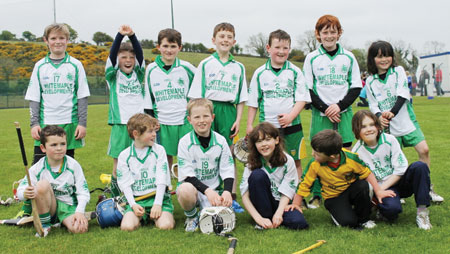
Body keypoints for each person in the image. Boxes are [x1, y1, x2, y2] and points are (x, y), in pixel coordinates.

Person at [21, 23, 90, 219]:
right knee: (37, 165)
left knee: (67, 165)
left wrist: (82, 123)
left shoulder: (75, 65)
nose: (58, 42)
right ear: (46, 41)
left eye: (62, 38)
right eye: (53, 38)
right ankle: (28, 209)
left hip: (68, 123)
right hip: (45, 124)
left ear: (68, 41)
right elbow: (34, 97)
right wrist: (34, 124)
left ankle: (70, 203)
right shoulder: (40, 66)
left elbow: (82, 96)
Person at [365, 40, 444, 203]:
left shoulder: (398, 71)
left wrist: (392, 113)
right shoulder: (371, 80)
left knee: (424, 150)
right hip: (388, 127)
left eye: (387, 55)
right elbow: (372, 103)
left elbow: (403, 93)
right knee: (393, 160)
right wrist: (380, 116)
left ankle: (427, 188)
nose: (384, 59)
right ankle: (396, 190)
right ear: (372, 59)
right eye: (379, 56)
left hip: (406, 122)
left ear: (392, 57)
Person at [302, 15, 362, 208]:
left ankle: (345, 190)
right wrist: (326, 109)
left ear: (339, 33)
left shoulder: (349, 56)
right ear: (318, 34)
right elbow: (308, 89)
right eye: (325, 32)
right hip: (321, 115)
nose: (329, 35)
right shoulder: (312, 58)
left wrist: (339, 106)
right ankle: (317, 194)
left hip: (343, 113)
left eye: (333, 31)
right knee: (320, 154)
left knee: (344, 152)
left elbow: (355, 87)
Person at [188, 22, 247, 210]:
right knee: (206, 152)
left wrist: (238, 120)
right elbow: (196, 95)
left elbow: (241, 98)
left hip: (229, 111)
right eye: (222, 36)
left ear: (234, 41)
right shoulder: (205, 64)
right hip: (208, 110)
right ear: (214, 40)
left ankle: (231, 195)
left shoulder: (239, 67)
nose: (225, 40)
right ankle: (203, 194)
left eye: (229, 37)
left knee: (229, 153)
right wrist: (200, 115)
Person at [286, 129, 395, 229]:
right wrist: (296, 204)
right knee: (348, 223)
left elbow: (367, 174)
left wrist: (378, 191)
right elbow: (304, 184)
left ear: (332, 156)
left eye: (317, 153)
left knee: (363, 185)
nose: (312, 154)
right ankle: (341, 212)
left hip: (351, 190)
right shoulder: (314, 164)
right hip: (333, 197)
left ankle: (364, 219)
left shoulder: (351, 158)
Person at [246, 29, 311, 182]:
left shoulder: (295, 72)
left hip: (292, 126)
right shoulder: (260, 73)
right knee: (269, 161)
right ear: (268, 48)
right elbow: (254, 102)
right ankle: (273, 193)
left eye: (285, 48)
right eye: (277, 47)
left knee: (295, 161)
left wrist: (290, 116)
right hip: (268, 127)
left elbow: (302, 99)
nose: (281, 51)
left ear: (289, 49)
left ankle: (295, 197)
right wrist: (249, 124)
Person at [351, 110, 432, 230]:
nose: (369, 129)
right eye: (363, 126)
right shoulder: (356, 152)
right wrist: (377, 191)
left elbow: (400, 170)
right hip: (379, 187)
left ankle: (422, 212)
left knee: (420, 167)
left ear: (378, 126)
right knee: (392, 211)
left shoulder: (390, 140)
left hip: (397, 181)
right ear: (356, 131)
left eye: (372, 124)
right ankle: (381, 208)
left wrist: (380, 189)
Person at [16, 125, 90, 237]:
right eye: (54, 145)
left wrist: (79, 212)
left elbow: (83, 192)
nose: (59, 148)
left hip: (68, 207)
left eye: (62, 144)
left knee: (80, 229)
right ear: (43, 148)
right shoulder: (37, 168)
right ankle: (45, 225)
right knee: (42, 185)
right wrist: (25, 193)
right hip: (48, 208)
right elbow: (20, 191)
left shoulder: (73, 165)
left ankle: (60, 222)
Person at [176, 98, 235, 232]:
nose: (202, 121)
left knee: (224, 221)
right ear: (190, 120)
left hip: (215, 192)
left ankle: (208, 208)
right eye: (197, 117)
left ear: (212, 118)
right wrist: (208, 191)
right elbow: (187, 176)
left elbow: (227, 169)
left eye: (206, 116)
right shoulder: (184, 142)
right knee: (185, 189)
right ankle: (191, 217)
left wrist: (227, 191)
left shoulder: (221, 141)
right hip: (195, 190)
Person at [144, 28, 196, 171]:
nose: (169, 50)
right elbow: (148, 97)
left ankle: (188, 187)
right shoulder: (151, 69)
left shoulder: (187, 68)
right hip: (162, 123)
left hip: (184, 121)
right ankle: (165, 188)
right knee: (163, 158)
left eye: (173, 46)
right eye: (165, 46)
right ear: (158, 47)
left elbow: (200, 89)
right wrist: (151, 119)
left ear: (179, 48)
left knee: (187, 157)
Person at [240, 122, 308, 230]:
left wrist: (279, 213)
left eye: (267, 139)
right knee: (257, 175)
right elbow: (244, 195)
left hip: (281, 203)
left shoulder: (287, 160)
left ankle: (274, 219)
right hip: (262, 203)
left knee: (299, 223)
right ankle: (264, 218)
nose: (263, 144)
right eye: (259, 141)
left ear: (276, 140)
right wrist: (258, 218)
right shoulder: (251, 162)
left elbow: (288, 191)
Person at [106, 25, 145, 198]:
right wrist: (120, 36)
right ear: (117, 59)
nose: (128, 60)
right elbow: (112, 55)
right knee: (118, 163)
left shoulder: (139, 73)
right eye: (123, 57)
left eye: (131, 57)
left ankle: (137, 193)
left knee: (138, 161)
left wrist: (133, 36)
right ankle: (116, 197)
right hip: (120, 125)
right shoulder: (113, 77)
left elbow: (140, 54)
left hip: (140, 125)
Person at [117, 113, 174, 231]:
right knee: (127, 227)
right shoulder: (124, 156)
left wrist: (158, 204)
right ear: (136, 134)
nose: (154, 134)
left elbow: (162, 178)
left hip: (158, 198)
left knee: (166, 226)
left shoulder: (159, 150)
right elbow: (125, 184)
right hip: (138, 200)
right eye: (150, 132)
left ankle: (157, 216)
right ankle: (141, 218)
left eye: (154, 131)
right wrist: (133, 205)